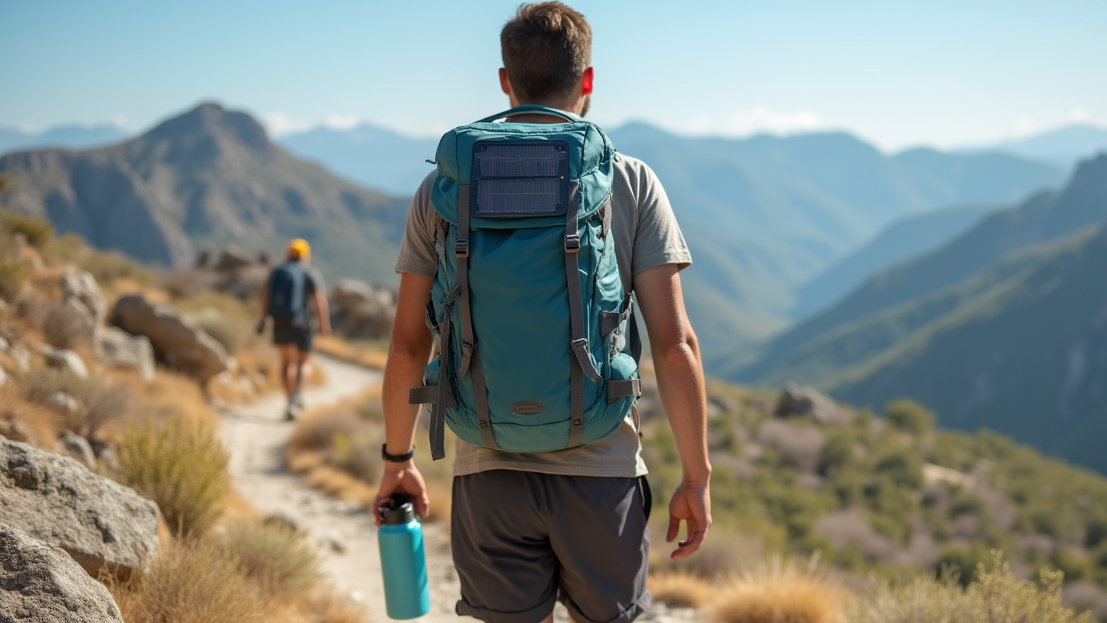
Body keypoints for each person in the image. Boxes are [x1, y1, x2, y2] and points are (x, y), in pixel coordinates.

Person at [374, 3, 711, 623]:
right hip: (601, 465)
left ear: (505, 80)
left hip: (486, 465)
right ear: (587, 81)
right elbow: (675, 345)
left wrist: (398, 462)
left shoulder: (444, 187)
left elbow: (405, 347)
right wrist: (697, 477)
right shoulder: (629, 181)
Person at [257, 238, 331, 420]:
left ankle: (289, 399)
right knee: (303, 362)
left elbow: (265, 297)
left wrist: (262, 320)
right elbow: (319, 301)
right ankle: (296, 396)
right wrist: (324, 324)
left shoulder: (277, 272)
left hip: (279, 321)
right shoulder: (310, 272)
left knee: (285, 362)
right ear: (305, 255)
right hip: (302, 323)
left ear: (288, 253)